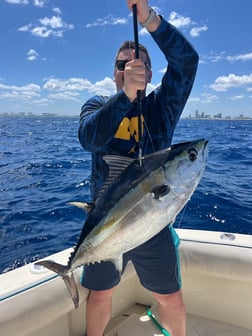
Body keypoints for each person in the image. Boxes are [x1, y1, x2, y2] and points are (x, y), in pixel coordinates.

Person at [78, 1, 199, 335]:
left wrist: (148, 18)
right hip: (108, 223)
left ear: (150, 73)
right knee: (100, 295)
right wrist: (125, 98)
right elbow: (89, 138)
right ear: (113, 71)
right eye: (122, 64)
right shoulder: (96, 105)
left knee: (172, 300)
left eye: (139, 65)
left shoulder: (162, 107)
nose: (129, 68)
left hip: (152, 222)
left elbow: (187, 63)